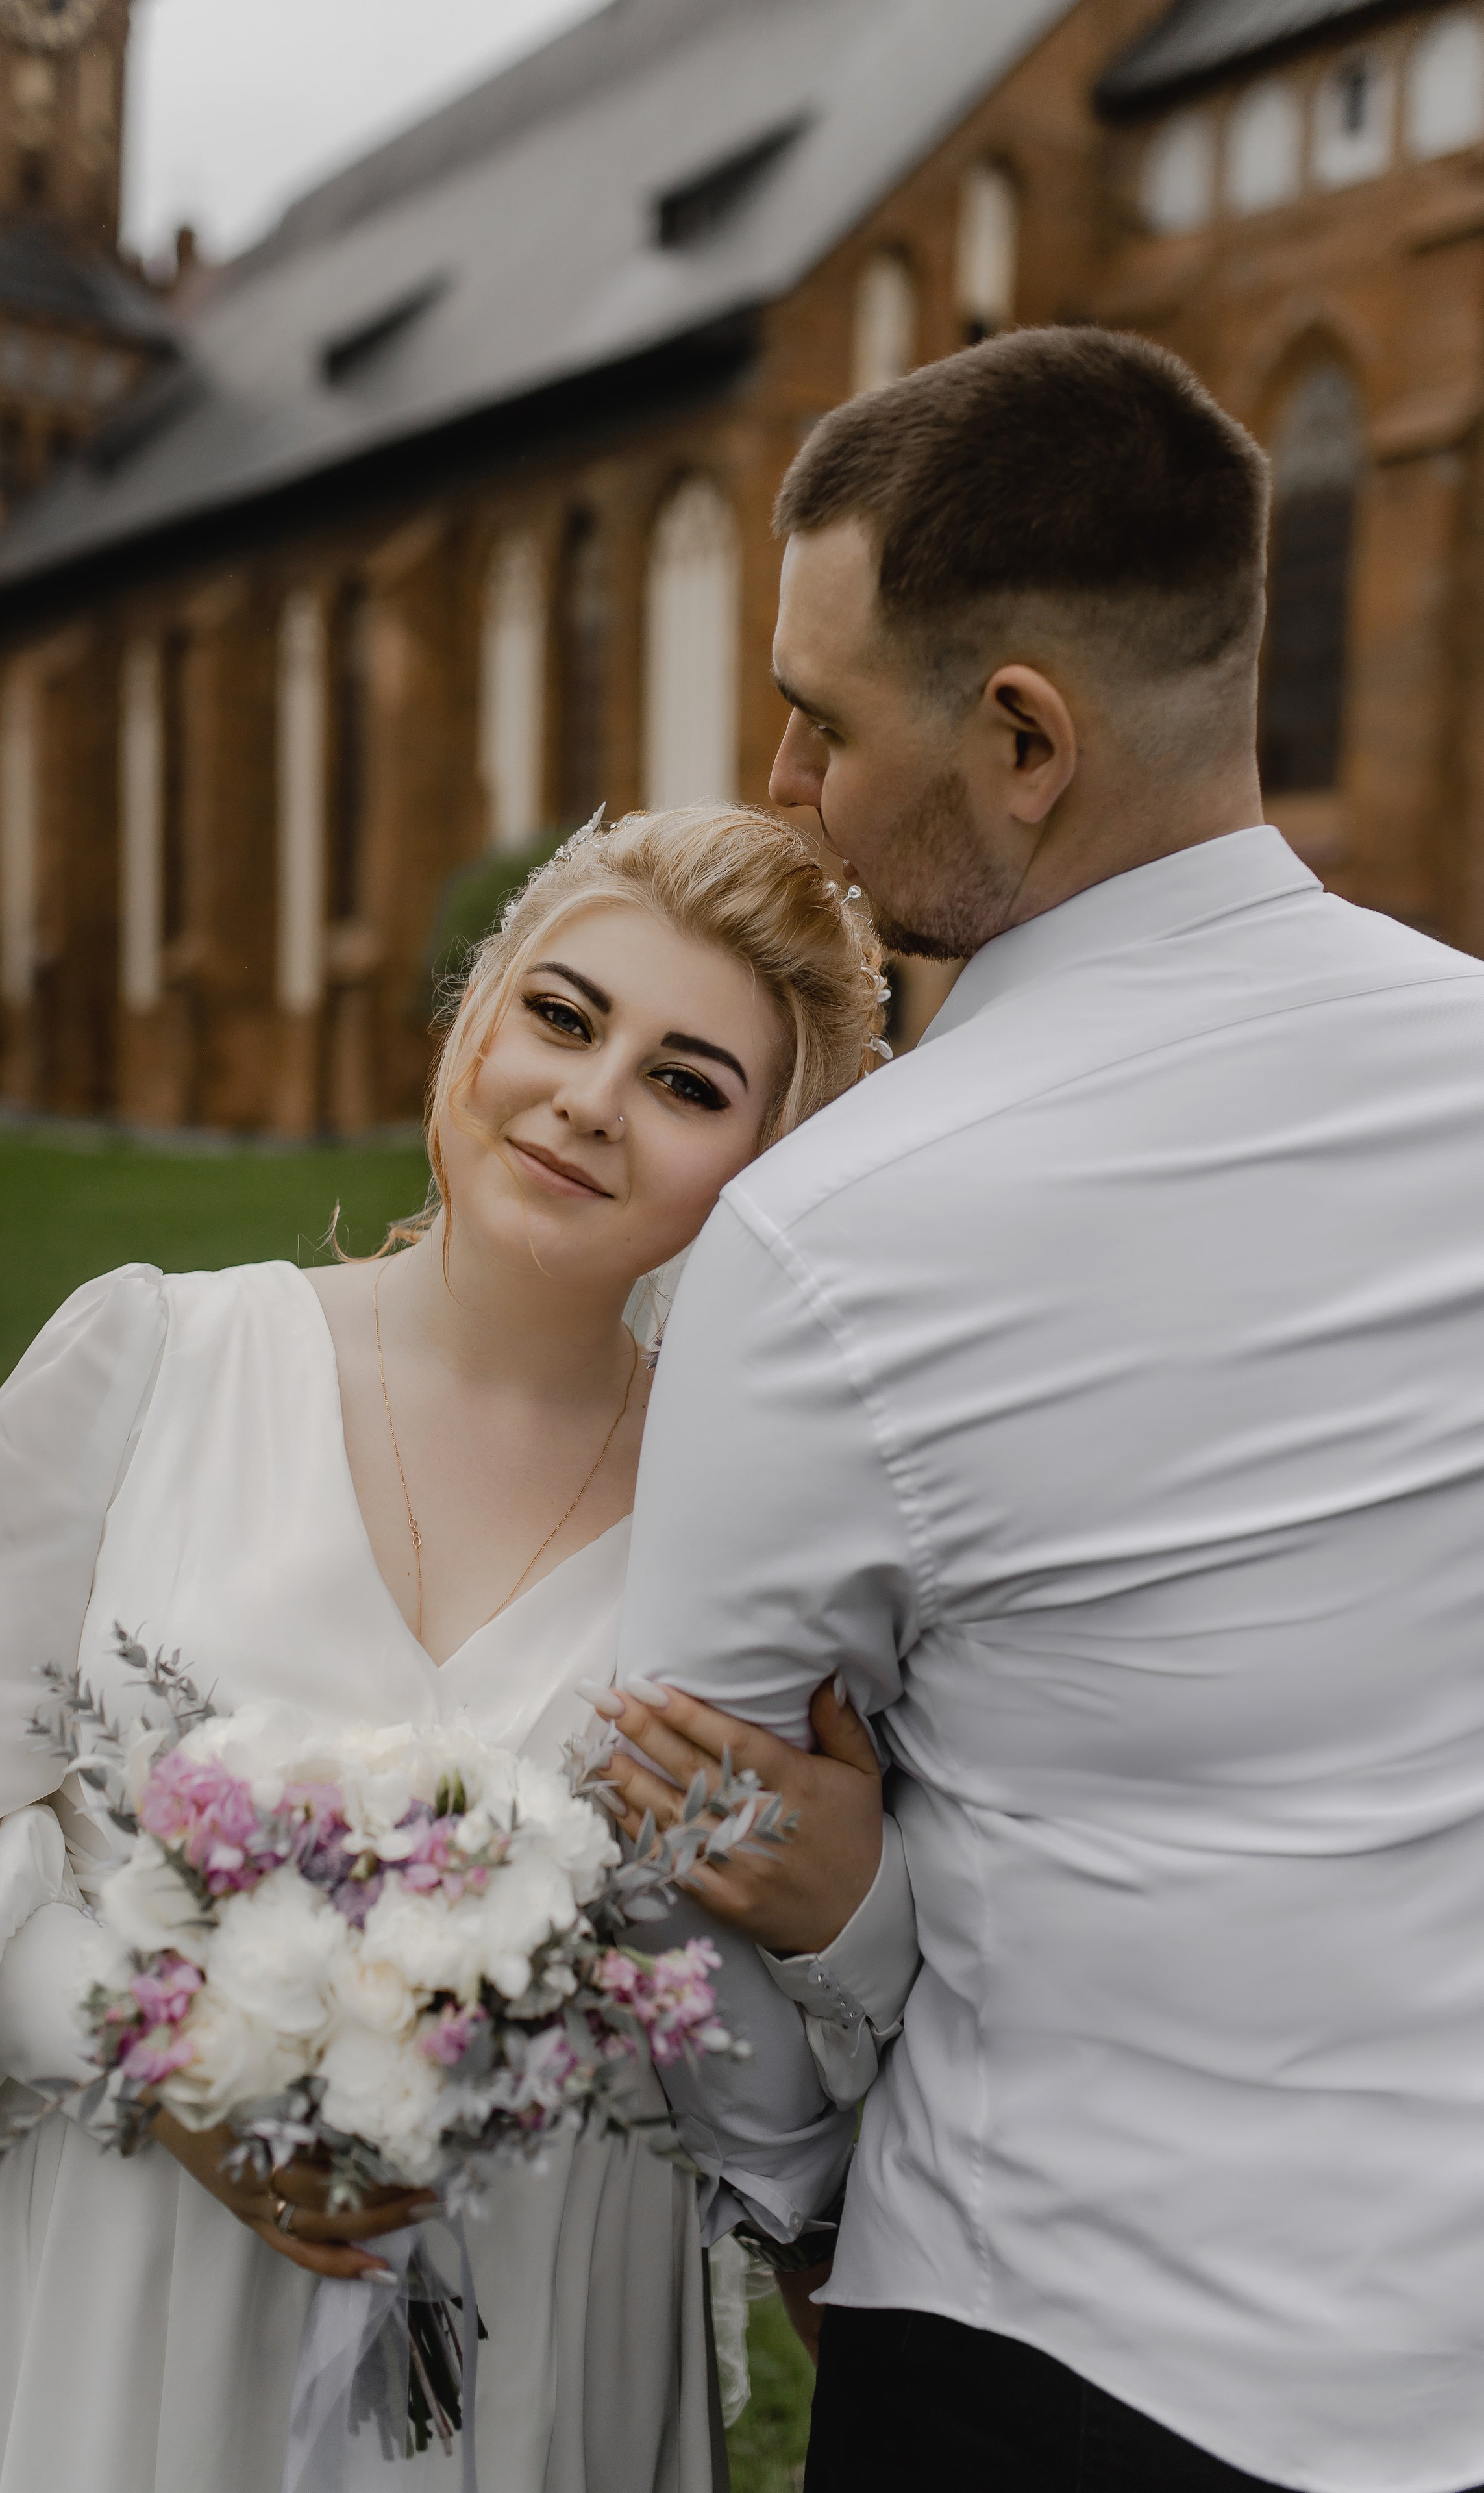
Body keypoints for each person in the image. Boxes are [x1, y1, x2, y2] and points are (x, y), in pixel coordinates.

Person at [595, 327, 1484, 2493]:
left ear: (1021, 738)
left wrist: (805, 2196)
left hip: (1057, 2352)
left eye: (822, 719)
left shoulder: (831, 1238)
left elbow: (682, 1867)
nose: (789, 785)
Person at [0, 804, 878, 2493]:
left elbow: (789, 2084)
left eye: (690, 1084)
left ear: (761, 1172)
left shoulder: (753, 1539)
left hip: (533, 2354)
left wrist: (837, 1905)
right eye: (561, 1014)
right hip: (112, 2308)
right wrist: (161, 2046)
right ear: (472, 1016)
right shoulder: (157, 1359)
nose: (591, 1100)